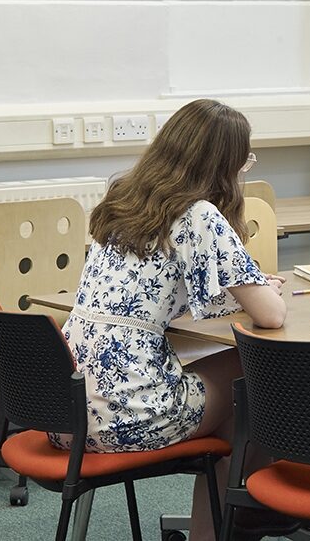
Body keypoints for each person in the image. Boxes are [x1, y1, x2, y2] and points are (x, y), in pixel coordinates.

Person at [54, 99, 286, 541]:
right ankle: (251, 510)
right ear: (225, 165)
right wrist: (265, 290)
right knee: (252, 374)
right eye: (245, 162)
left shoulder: (125, 201)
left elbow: (157, 295)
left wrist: (238, 294)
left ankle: (242, 516)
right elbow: (271, 317)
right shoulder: (199, 214)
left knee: (237, 406)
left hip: (64, 411)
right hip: (124, 415)